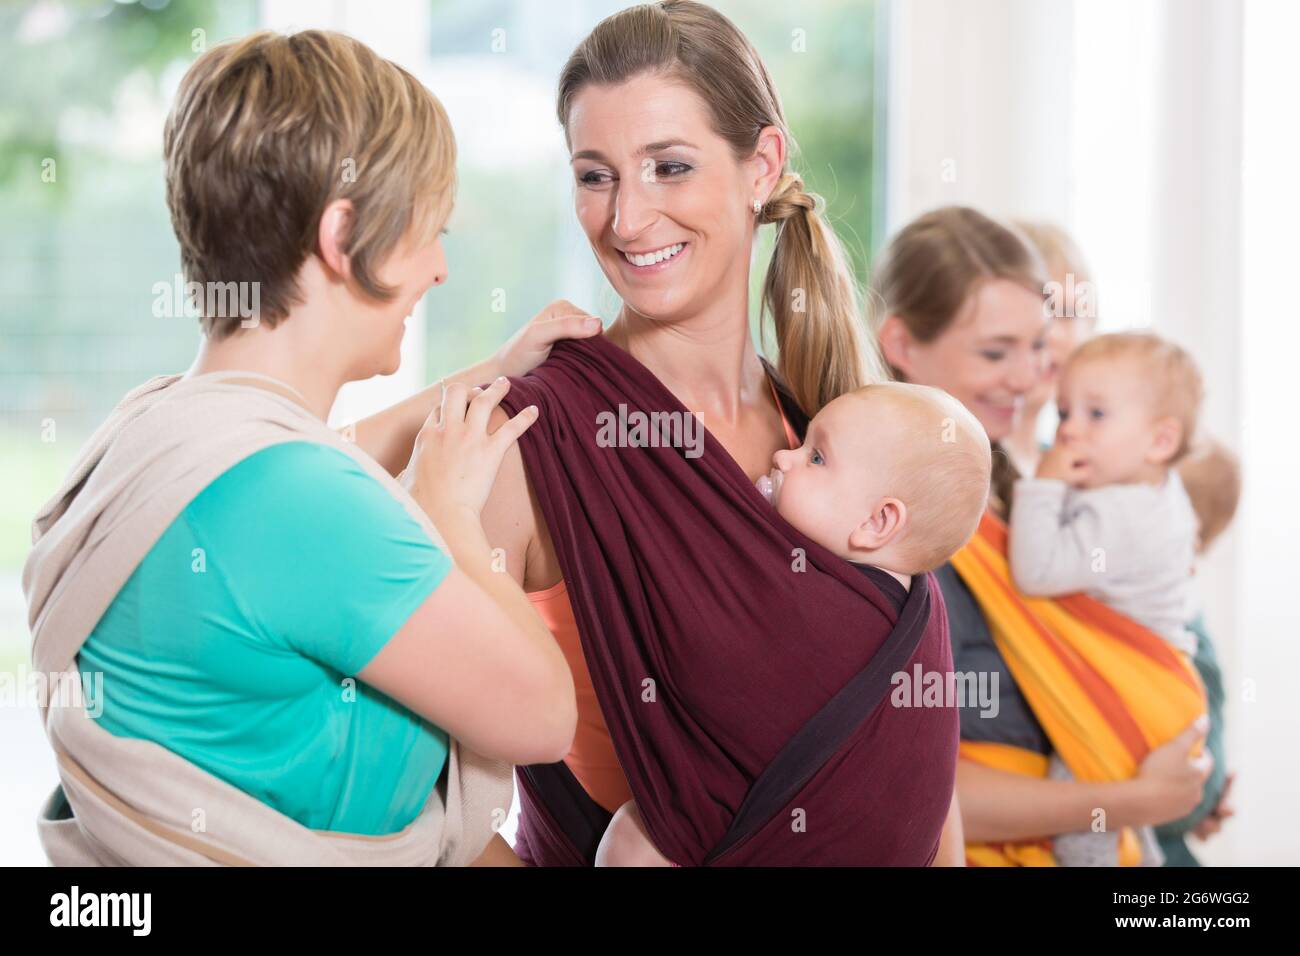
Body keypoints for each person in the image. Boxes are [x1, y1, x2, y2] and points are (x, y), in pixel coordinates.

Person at [355, 0, 966, 865]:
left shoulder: (834, 434)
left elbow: (911, 766)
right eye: (595, 176)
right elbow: (401, 793)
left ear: (762, 166)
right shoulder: (528, 440)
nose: (628, 219)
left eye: (669, 167)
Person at [23, 29, 592, 866]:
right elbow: (545, 717)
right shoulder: (305, 506)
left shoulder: (152, 438)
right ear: (341, 235)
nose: (439, 268)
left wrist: (489, 372)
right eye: (427, 230)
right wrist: (449, 517)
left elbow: (318, 462)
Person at [872, 205, 1211, 866]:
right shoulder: (878, 517)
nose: (1030, 380)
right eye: (997, 352)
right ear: (903, 344)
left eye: (1038, 346)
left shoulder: (1006, 487)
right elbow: (905, 786)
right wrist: (1132, 801)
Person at [595, 382, 991, 865]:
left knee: (633, 837)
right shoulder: (917, 598)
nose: (784, 458)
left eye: (817, 458)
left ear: (878, 522)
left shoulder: (824, 607)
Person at [1009, 332, 1204, 865]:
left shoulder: (1124, 516)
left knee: (1082, 824)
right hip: (1159, 686)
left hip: (1127, 691)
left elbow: (1036, 571)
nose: (1068, 429)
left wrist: (1042, 488)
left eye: (1096, 415)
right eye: (1066, 410)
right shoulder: (1156, 491)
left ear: (1160, 441)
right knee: (1121, 826)